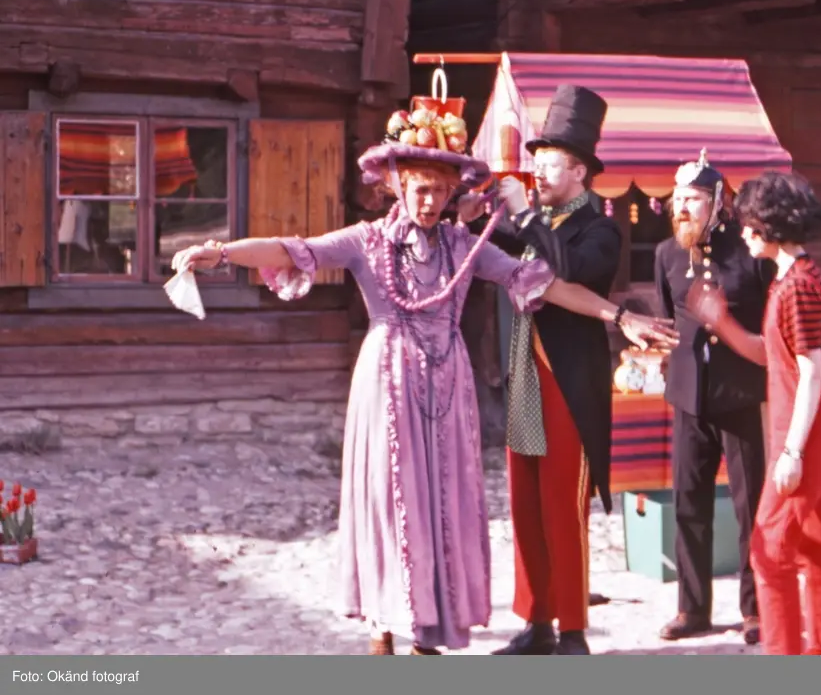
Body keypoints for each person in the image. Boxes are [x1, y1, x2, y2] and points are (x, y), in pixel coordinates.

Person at [171, 116, 676, 657]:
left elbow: (543, 284)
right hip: (387, 382)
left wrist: (619, 315)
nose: (430, 201)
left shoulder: (464, 246)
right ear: (397, 185)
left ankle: (430, 630)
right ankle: (383, 625)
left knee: (442, 500)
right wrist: (221, 252)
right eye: (420, 189)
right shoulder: (366, 241)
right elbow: (295, 249)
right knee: (390, 497)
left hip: (448, 387)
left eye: (439, 190)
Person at [486, 84, 631, 656]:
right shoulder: (531, 223)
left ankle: (573, 629)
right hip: (524, 374)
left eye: (549, 164)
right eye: (537, 162)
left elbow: (567, 267)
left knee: (563, 509)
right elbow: (482, 245)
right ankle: (536, 622)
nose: (538, 173)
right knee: (525, 505)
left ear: (579, 173)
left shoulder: (600, 228)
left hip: (568, 385)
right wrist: (474, 212)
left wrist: (523, 214)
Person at [687, 170, 821, 656]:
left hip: (808, 428)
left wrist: (793, 451)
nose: (743, 232)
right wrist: (721, 322)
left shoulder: (796, 287)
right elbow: (778, 356)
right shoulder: (797, 276)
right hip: (814, 421)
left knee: (769, 550)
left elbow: (811, 372)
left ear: (772, 227)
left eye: (750, 224)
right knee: (816, 539)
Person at [654, 150, 773, 646]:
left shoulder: (749, 252)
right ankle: (692, 608)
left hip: (739, 393)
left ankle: (756, 609)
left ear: (718, 203)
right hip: (688, 395)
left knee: (750, 506)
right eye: (678, 198)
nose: (682, 207)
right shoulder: (666, 253)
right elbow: (669, 318)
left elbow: (769, 321)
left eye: (694, 198)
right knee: (688, 502)